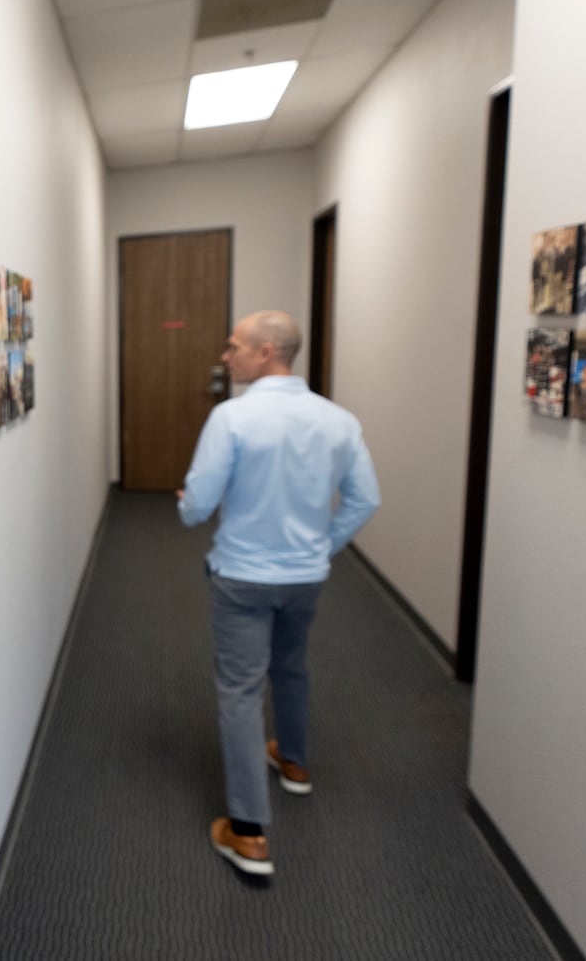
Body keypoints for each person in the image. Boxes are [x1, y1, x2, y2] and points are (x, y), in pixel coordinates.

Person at [176, 310, 379, 878]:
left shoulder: (232, 418)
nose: (226, 356)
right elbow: (366, 500)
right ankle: (293, 763)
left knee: (240, 692)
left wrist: (186, 500)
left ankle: (248, 834)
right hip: (305, 577)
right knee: (290, 667)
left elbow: (197, 506)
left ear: (266, 352)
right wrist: (321, 545)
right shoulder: (340, 421)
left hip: (242, 577)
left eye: (234, 346)